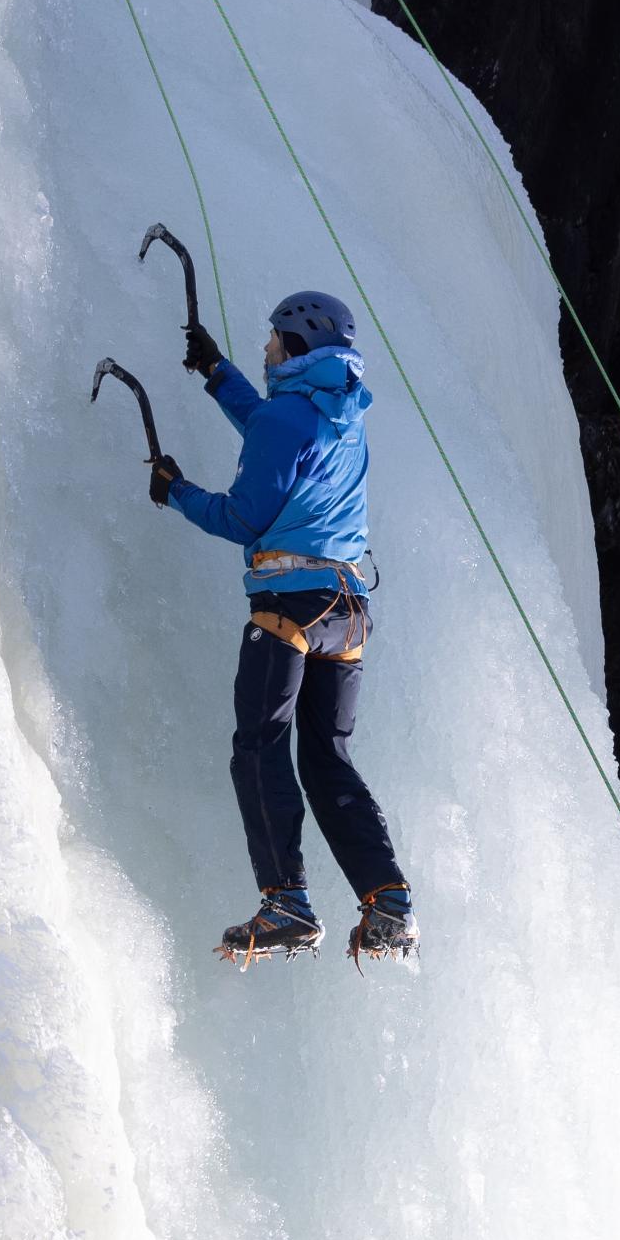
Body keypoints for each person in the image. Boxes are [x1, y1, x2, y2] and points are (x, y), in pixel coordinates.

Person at [146, 290, 418, 967]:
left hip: (290, 608)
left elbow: (242, 515)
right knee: (327, 758)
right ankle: (388, 899)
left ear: (296, 344)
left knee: (259, 746)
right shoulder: (343, 411)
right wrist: (217, 377)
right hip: (348, 611)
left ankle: (287, 902)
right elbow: (274, 427)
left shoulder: (290, 417)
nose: (264, 348)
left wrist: (175, 491)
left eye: (271, 340)